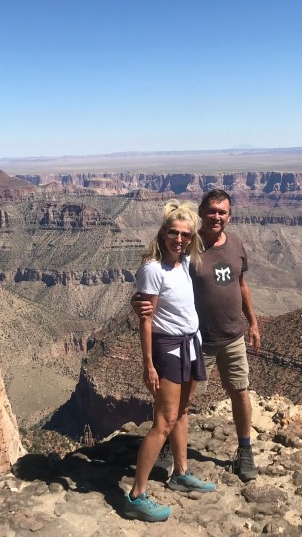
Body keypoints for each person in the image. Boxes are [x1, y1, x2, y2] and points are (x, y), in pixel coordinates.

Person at [135, 189, 261, 482]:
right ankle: (169, 448)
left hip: (233, 335)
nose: (216, 217)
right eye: (212, 211)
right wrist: (137, 302)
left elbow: (242, 285)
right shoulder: (189, 246)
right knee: (182, 402)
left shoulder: (236, 244)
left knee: (239, 391)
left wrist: (253, 323)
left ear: (230, 216)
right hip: (196, 341)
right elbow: (159, 278)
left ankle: (245, 450)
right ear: (202, 213)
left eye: (222, 212)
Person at [123, 200, 217, 523]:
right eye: (174, 233)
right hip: (169, 349)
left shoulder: (183, 263)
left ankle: (180, 472)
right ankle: (136, 496)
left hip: (191, 343)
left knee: (182, 412)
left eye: (186, 235)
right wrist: (148, 364)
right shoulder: (153, 269)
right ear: (163, 233)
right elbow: (146, 319)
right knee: (163, 422)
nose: (179, 239)